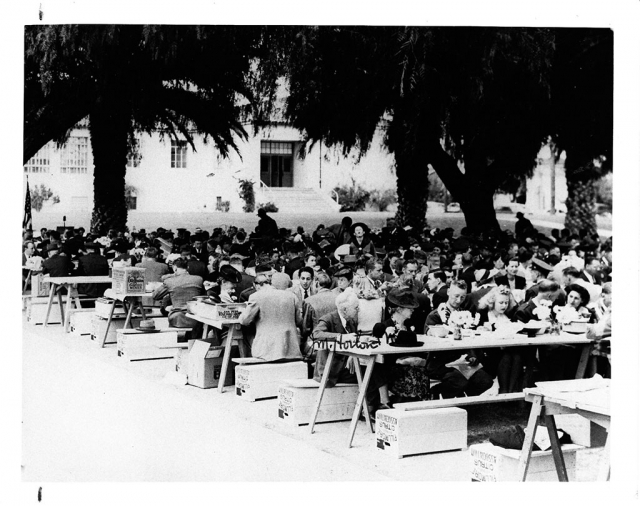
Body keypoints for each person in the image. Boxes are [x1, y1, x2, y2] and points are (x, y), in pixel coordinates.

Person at [312, 290, 391, 413]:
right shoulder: (328, 319)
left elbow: (352, 340)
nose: (358, 310)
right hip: (331, 369)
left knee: (375, 367)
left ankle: (374, 406)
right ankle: (371, 408)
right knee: (371, 372)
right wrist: (341, 337)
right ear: (344, 309)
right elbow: (316, 334)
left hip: (346, 365)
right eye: (356, 308)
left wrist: (353, 353)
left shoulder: (350, 321)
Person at [424, 280, 494, 399]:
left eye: (462, 297)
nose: (458, 300)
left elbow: (469, 340)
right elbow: (430, 337)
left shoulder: (466, 314)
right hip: (442, 361)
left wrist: (472, 355)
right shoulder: (435, 315)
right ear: (448, 292)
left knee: (485, 380)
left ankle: (462, 397)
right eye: (456, 296)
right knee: (458, 380)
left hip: (463, 360)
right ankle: (440, 393)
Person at [372, 288, 431, 402]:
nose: (413, 310)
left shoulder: (410, 325)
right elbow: (379, 357)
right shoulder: (383, 327)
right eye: (409, 308)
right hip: (390, 369)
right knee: (415, 374)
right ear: (399, 309)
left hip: (410, 366)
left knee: (421, 372)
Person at [239, 272, 303, 362]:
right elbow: (299, 321)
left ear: (256, 285)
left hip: (266, 350)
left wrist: (243, 312)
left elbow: (244, 321)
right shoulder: (291, 296)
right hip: (291, 349)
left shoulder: (255, 296)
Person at [476, 286, 523, 393]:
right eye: (501, 302)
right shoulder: (483, 314)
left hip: (506, 348)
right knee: (507, 357)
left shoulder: (507, 315)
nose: (504, 306)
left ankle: (510, 392)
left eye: (506, 303)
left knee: (517, 357)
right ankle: (504, 390)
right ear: (492, 301)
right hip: (488, 352)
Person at [151, 257, 204, 328]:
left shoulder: (169, 281)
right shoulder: (199, 279)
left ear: (175, 269)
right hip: (196, 318)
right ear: (187, 267)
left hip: (177, 318)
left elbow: (155, 296)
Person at [300, 273, 338, 358]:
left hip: (317, 345)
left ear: (316, 283)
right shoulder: (339, 298)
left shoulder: (309, 301)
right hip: (338, 342)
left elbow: (306, 328)